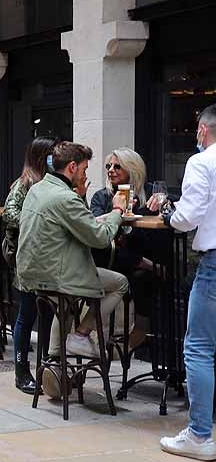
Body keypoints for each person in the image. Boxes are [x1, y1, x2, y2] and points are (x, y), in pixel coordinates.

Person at [15, 141, 129, 400]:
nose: (86, 175)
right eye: (85, 169)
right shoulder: (66, 198)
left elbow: (68, 226)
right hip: (58, 277)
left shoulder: (38, 188)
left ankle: (55, 363)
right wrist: (117, 210)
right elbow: (101, 238)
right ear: (72, 167)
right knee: (120, 283)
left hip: (33, 276)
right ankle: (80, 335)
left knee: (65, 304)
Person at [159, 104, 216, 461]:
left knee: (198, 348)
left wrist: (170, 216)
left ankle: (198, 435)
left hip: (214, 263)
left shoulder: (202, 162)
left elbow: (190, 215)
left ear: (202, 130)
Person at [2, 135, 60, 395]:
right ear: (41, 157)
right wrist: (36, 219)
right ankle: (21, 370)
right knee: (27, 314)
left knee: (47, 313)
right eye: (51, 155)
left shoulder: (52, 184)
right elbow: (9, 213)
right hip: (25, 258)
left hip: (46, 259)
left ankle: (46, 369)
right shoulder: (24, 183)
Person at [89, 148, 154, 351]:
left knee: (144, 277)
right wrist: (118, 212)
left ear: (132, 169)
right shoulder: (102, 197)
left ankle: (141, 328)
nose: (111, 170)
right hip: (111, 258)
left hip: (141, 254)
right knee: (134, 267)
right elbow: (98, 230)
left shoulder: (149, 194)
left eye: (117, 166)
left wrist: (163, 203)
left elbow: (172, 209)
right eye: (109, 166)